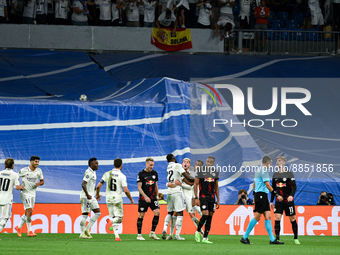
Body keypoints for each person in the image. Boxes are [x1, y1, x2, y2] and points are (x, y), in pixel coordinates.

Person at [240, 156, 284, 245]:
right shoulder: (264, 170)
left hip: (261, 196)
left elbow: (254, 183)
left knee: (268, 217)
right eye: (270, 163)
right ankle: (244, 237)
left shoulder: (259, 170)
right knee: (257, 217)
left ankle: (272, 240)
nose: (270, 165)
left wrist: (254, 196)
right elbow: (267, 184)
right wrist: (276, 195)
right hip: (261, 196)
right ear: (268, 162)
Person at [97, 158, 134, 241]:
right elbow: (126, 190)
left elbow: (98, 186)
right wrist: (131, 199)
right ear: (121, 166)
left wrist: (97, 194)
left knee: (114, 217)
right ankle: (111, 221)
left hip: (108, 198)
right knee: (119, 218)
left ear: (113, 165)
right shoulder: (122, 176)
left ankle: (117, 236)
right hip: (117, 199)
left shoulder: (107, 174)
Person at [161, 153, 194, 241]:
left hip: (169, 192)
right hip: (177, 191)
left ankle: (164, 229)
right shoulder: (178, 165)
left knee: (169, 212)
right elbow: (187, 176)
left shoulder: (168, 167)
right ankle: (177, 235)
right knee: (180, 212)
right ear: (174, 158)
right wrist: (197, 179)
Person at [270, 157, 299, 244]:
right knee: (277, 217)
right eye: (277, 161)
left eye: (280, 161)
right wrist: (271, 201)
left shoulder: (289, 174)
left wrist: (291, 196)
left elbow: (294, 186)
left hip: (288, 201)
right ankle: (277, 238)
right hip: (279, 201)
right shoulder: (275, 175)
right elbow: (273, 189)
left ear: (284, 162)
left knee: (292, 218)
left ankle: (296, 238)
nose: (278, 163)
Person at [15, 156, 44, 237]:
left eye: (38, 162)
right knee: (30, 211)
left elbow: (42, 181)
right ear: (31, 162)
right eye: (36, 161)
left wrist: (39, 183)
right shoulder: (24, 170)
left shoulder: (39, 171)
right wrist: (19, 185)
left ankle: (18, 227)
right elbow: (16, 177)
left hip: (33, 193)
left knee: (28, 212)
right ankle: (30, 231)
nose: (37, 163)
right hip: (25, 193)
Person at [194, 156, 219, 244]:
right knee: (205, 214)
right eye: (207, 162)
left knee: (210, 217)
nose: (209, 164)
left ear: (213, 164)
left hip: (212, 197)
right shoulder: (200, 171)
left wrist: (218, 200)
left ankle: (205, 237)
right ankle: (197, 231)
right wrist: (196, 197)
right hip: (203, 196)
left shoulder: (215, 172)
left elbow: (216, 186)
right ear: (206, 162)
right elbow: (195, 184)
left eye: (211, 163)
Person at [136, 158, 160, 241]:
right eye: (150, 165)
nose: (151, 167)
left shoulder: (155, 173)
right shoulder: (141, 174)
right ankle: (139, 235)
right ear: (146, 164)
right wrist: (145, 197)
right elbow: (139, 187)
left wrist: (157, 196)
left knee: (157, 212)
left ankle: (152, 233)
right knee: (141, 215)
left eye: (153, 165)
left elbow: (156, 185)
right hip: (143, 198)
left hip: (153, 197)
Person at [77, 158, 101, 239]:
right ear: (91, 164)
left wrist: (96, 194)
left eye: (97, 163)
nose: (97, 165)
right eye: (96, 163)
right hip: (86, 197)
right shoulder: (88, 172)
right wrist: (87, 195)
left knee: (98, 213)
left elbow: (91, 185)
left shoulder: (93, 172)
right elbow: (83, 184)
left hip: (92, 196)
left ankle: (87, 229)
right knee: (85, 215)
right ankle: (82, 234)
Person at [0, 159, 24, 238]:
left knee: (1, 217)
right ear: (13, 165)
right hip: (7, 199)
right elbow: (17, 187)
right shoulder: (14, 174)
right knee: (5, 218)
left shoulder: (0, 173)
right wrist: (21, 187)